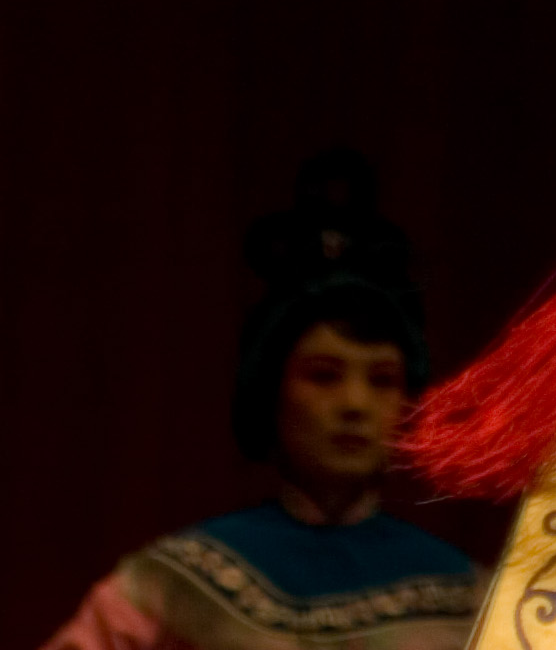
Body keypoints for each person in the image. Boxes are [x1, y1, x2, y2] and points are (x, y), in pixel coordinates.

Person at [45, 152, 481, 650]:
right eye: (324, 376)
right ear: (271, 390)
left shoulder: (466, 598)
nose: (355, 403)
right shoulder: (176, 585)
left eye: (382, 380)